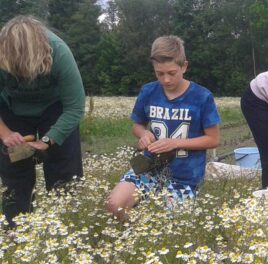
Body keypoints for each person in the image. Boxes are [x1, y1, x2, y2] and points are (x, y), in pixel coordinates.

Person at [106, 35, 221, 222]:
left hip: (184, 177)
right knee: (114, 205)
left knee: (164, 222)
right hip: (148, 169)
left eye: (172, 73)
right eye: (159, 73)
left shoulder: (202, 97)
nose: (166, 80)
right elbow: (137, 125)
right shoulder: (148, 91)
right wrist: (144, 134)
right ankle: (133, 235)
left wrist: (175, 143)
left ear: (184, 66)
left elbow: (213, 139)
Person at [0, 16, 85, 230]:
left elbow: (75, 107)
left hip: (55, 107)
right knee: (15, 169)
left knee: (64, 169)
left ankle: (67, 227)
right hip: (11, 108)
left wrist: (48, 140)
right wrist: (6, 134)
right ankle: (17, 229)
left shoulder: (59, 52)